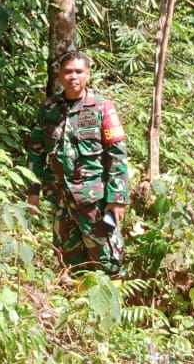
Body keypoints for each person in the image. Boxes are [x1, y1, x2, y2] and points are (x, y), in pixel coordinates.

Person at [26, 50, 130, 277]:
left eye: (78, 71)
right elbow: (35, 152)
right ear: (60, 75)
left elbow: (117, 155)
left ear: (88, 74)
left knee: (108, 257)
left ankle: (113, 309)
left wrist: (117, 198)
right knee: (69, 258)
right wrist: (33, 192)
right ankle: (80, 306)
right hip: (60, 199)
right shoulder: (49, 109)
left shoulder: (103, 108)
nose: (73, 76)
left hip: (95, 201)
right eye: (67, 72)